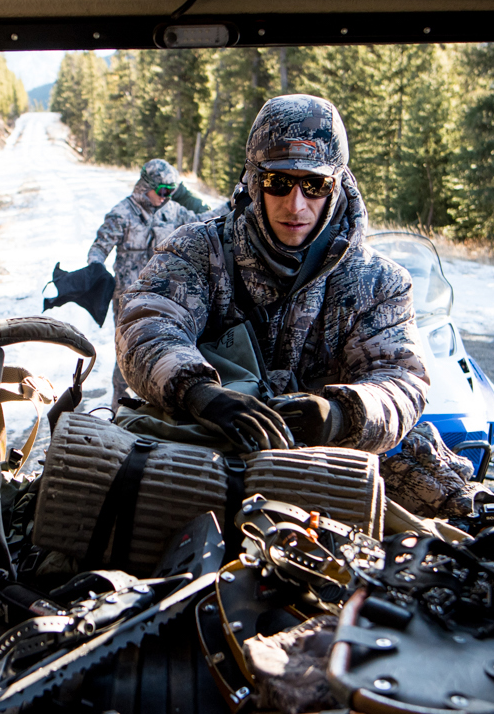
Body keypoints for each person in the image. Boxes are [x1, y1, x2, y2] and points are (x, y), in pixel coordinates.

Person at [117, 94, 433, 483]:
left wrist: (339, 416)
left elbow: (400, 381)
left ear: (336, 185)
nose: (295, 205)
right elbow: (146, 323)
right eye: (278, 182)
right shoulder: (198, 250)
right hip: (203, 466)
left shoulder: (380, 283)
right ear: (253, 181)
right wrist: (200, 394)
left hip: (323, 478)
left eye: (314, 185)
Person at [86, 158, 195, 397]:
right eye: (162, 190)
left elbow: (202, 222)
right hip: (128, 299)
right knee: (127, 353)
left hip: (163, 297)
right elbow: (99, 247)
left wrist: (233, 203)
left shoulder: (173, 212)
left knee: (160, 350)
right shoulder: (122, 213)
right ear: (146, 186)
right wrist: (95, 267)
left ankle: (152, 409)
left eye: (171, 191)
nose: (166, 196)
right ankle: (120, 408)